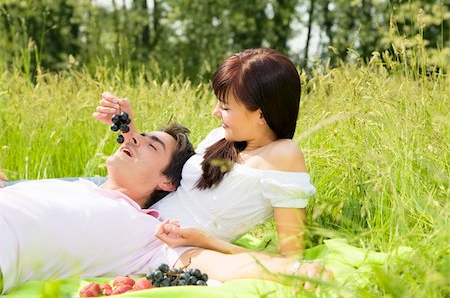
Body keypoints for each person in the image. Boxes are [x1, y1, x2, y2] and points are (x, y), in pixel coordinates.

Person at [0, 123, 332, 295]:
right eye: (136, 137)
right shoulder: (77, 186)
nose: (131, 140)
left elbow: (213, 264)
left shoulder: (149, 235)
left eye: (150, 144)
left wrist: (296, 271)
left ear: (166, 182)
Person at [93, 48, 314, 257]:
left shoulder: (284, 155)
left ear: (261, 115)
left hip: (158, 249)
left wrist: (204, 242)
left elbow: (291, 257)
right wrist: (127, 128)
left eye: (226, 107)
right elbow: (166, 176)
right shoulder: (221, 137)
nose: (215, 112)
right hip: (133, 215)